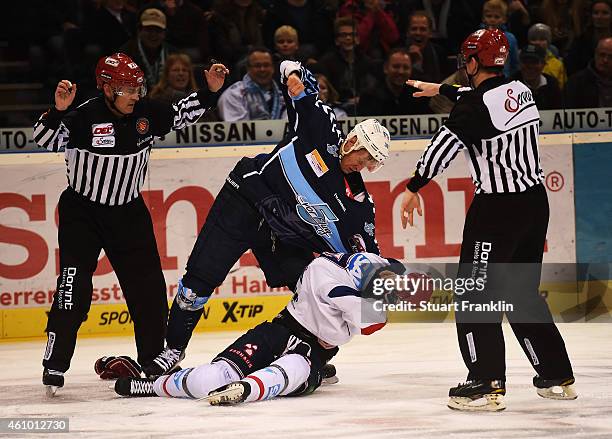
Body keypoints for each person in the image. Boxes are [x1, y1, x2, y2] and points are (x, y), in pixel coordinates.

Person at [142, 61, 391, 377]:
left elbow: (368, 260)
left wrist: (377, 288)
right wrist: (293, 76)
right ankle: (172, 350)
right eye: (365, 155)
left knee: (315, 287)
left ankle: (312, 352)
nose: (365, 164)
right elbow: (291, 67)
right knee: (199, 280)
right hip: (244, 198)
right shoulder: (321, 125)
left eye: (373, 162)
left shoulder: (359, 208)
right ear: (353, 141)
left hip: (284, 234)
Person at [399, 28, 576, 411]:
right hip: (533, 204)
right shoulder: (521, 91)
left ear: (475, 61)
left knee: (476, 297)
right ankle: (556, 374)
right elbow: (482, 100)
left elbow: (445, 144)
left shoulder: (474, 108)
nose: (463, 67)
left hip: (497, 211)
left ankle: (485, 383)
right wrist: (442, 90)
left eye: (465, 60)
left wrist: (414, 187)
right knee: (520, 293)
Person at [33, 52, 229, 395]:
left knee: (149, 292)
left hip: (128, 212)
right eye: (128, 89)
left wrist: (210, 92)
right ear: (106, 88)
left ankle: (153, 360)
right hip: (83, 214)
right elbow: (44, 139)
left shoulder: (146, 113)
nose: (136, 95)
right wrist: (58, 111)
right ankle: (55, 361)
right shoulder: (83, 117)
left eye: (138, 87)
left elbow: (181, 114)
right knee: (73, 289)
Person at [114, 252, 406, 401]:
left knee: (295, 367)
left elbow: (389, 268)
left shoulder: (356, 270)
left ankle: (244, 390)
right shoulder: (332, 280)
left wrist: (391, 280)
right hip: (279, 332)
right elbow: (371, 324)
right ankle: (154, 386)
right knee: (208, 379)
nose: (386, 292)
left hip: (311, 353)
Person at [358, 47, 432, 116]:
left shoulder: (419, 97)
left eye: (406, 68)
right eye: (396, 66)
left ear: (411, 71)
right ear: (385, 68)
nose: (401, 72)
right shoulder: (369, 97)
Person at [217, 47, 286, 121]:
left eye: (266, 65)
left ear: (273, 68)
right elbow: (239, 129)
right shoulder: (233, 95)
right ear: (248, 68)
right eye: (257, 66)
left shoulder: (284, 96)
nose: (262, 69)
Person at [119, 8, 177, 89]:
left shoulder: (173, 54)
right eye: (149, 30)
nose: (153, 35)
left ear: (165, 33)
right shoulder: (125, 54)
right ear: (139, 30)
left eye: (158, 31)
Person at [565, 36, 612, 108]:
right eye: (602, 55)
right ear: (595, 54)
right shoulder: (576, 82)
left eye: (610, 57)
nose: (605, 60)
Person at [511, 45, 562, 110]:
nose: (529, 66)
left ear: (543, 64)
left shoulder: (552, 84)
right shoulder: (511, 85)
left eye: (534, 62)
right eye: (525, 62)